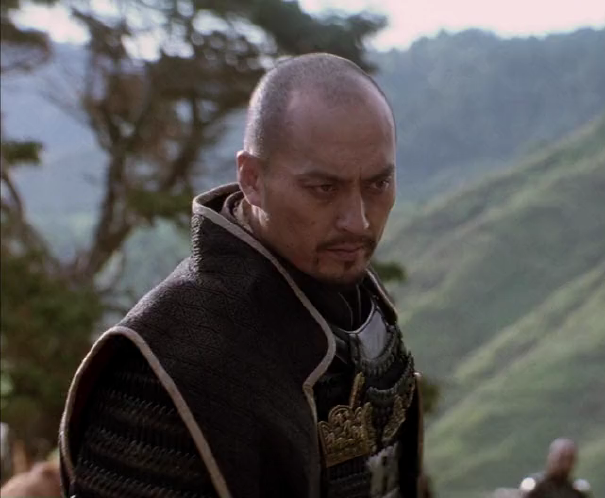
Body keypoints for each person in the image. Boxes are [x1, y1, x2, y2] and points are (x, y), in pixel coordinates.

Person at [57, 53, 423, 497]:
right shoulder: (167, 368)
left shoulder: (361, 304)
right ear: (252, 179)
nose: (358, 221)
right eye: (324, 189)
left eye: (377, 185)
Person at [521, 439, 591, 498]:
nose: (564, 464)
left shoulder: (578, 491)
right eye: (561, 459)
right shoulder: (535, 486)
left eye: (569, 459)